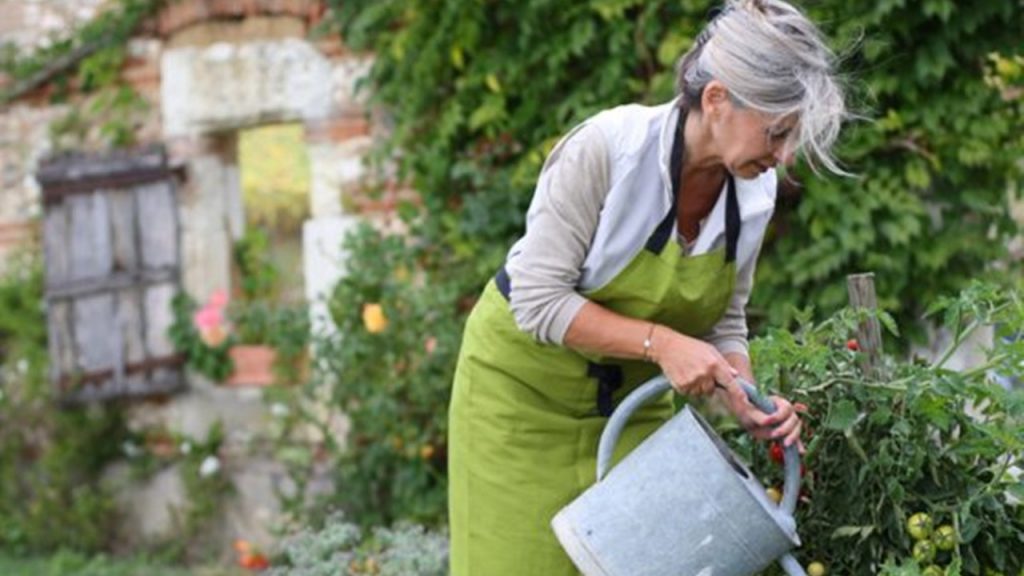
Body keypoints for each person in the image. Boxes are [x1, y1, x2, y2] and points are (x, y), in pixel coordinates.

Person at [447, 0, 848, 573]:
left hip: (633, 409)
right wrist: (661, 343)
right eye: (776, 132)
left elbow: (724, 322)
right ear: (716, 101)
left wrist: (741, 396)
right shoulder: (608, 151)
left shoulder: (752, 194)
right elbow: (538, 300)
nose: (784, 156)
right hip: (519, 403)